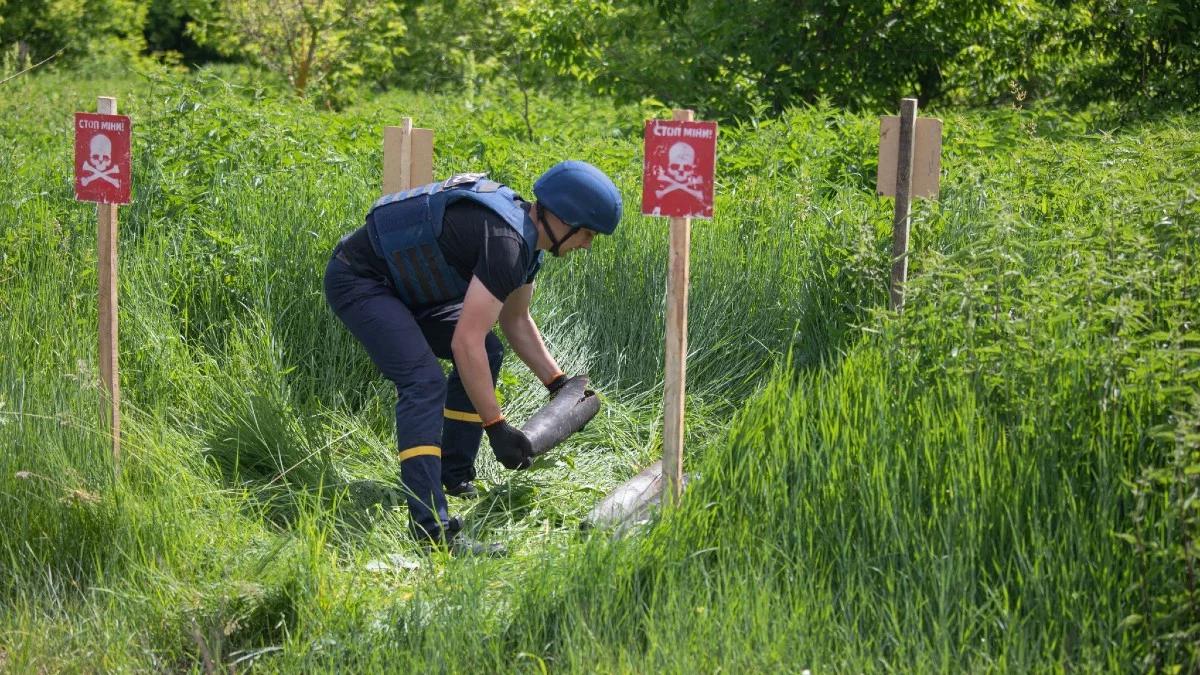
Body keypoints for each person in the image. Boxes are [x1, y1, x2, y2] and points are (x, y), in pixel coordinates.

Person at [323, 160, 622, 555]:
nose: (587, 245)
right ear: (563, 218)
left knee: (491, 349)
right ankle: (431, 530)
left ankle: (454, 474)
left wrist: (558, 385)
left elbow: (515, 320)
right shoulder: (506, 243)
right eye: (586, 234)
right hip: (361, 281)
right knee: (423, 382)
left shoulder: (527, 242)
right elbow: (466, 342)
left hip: (406, 290)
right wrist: (496, 427)